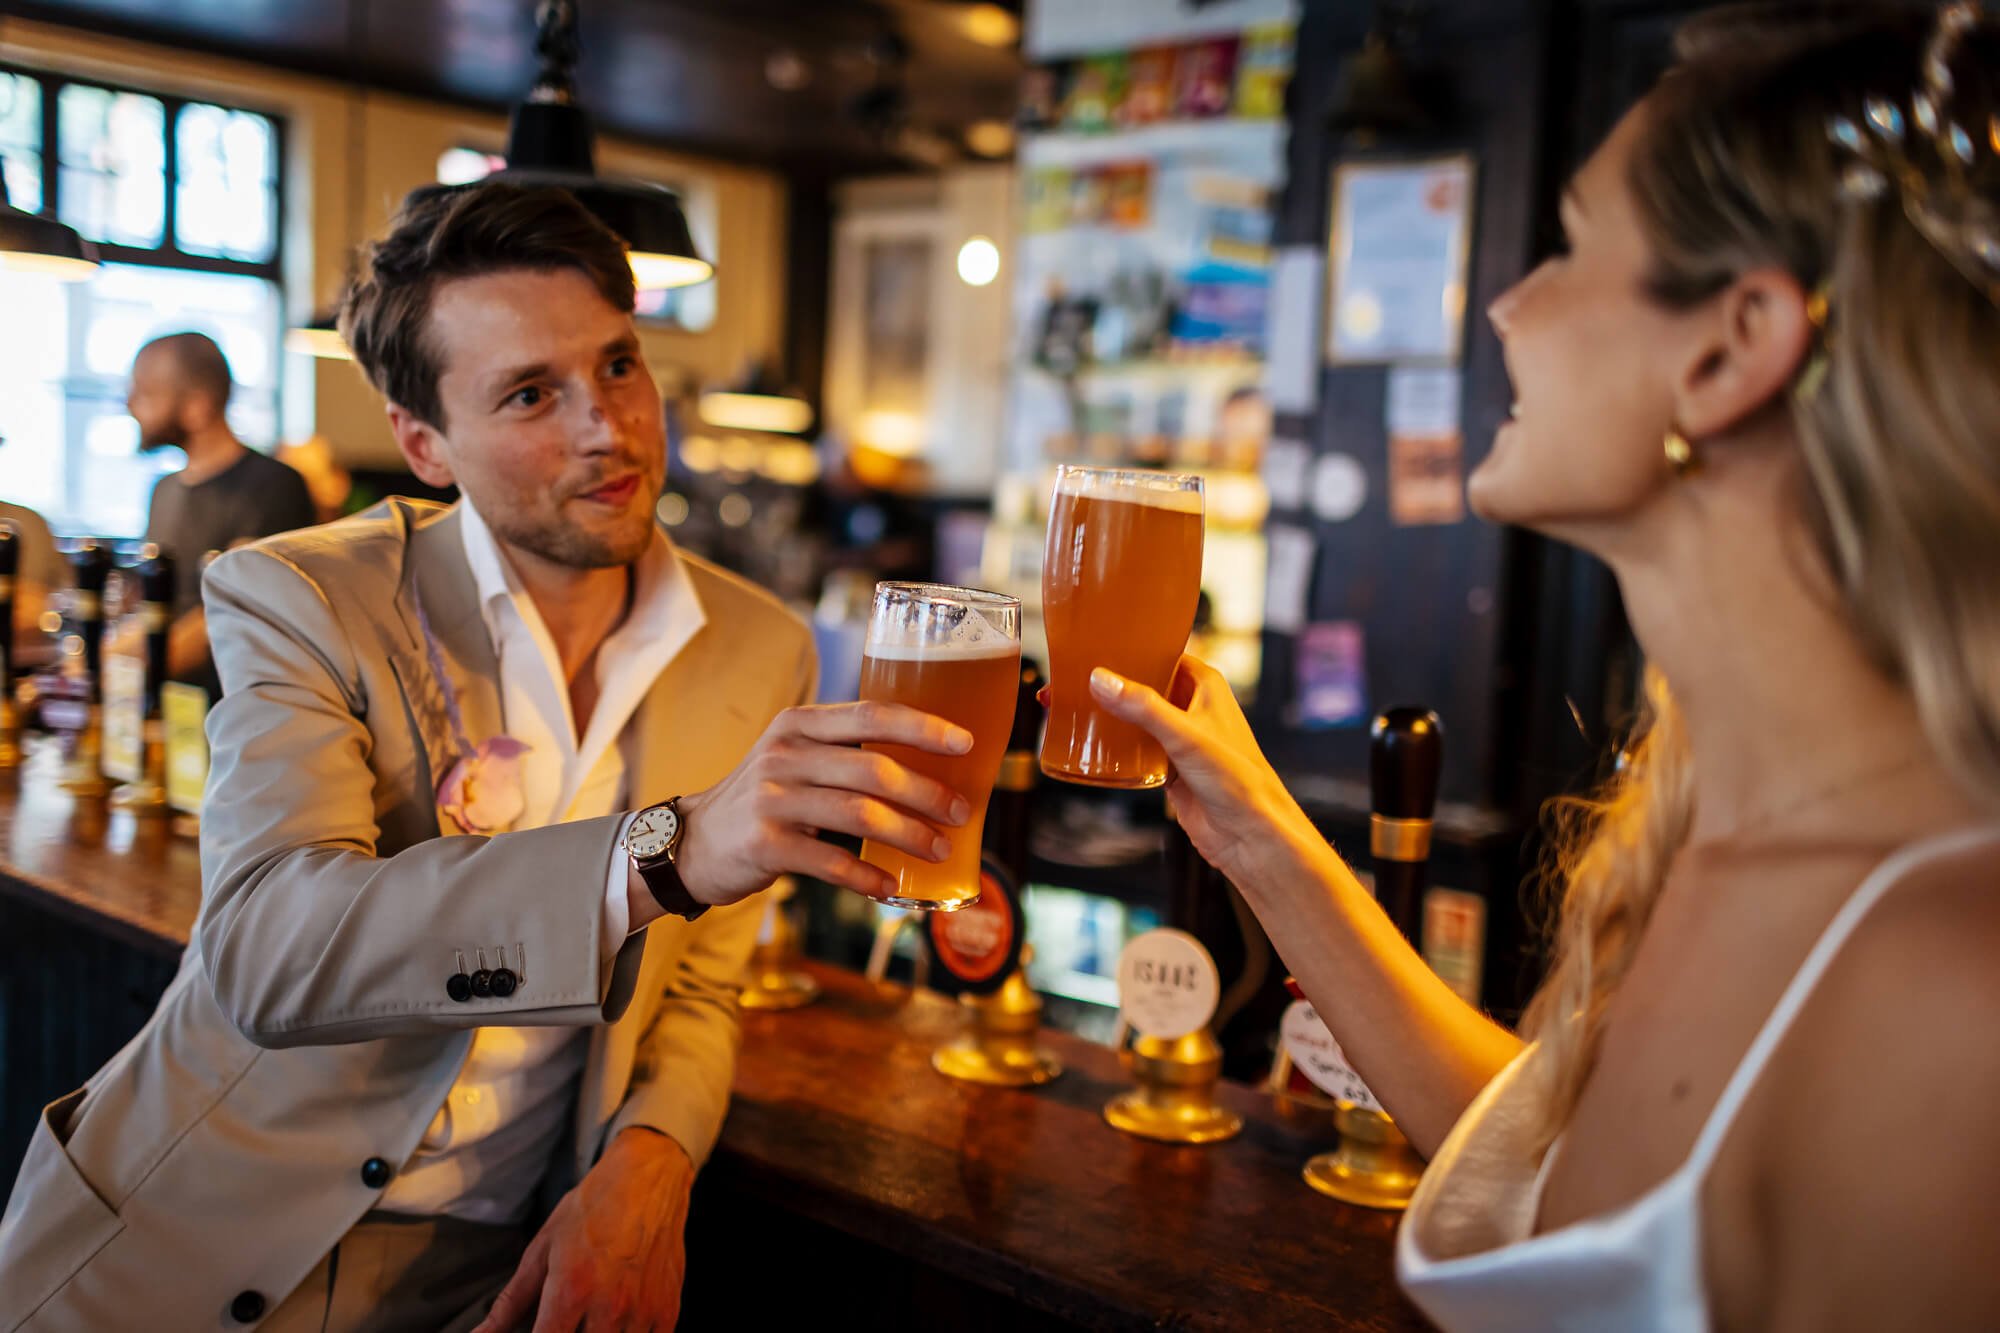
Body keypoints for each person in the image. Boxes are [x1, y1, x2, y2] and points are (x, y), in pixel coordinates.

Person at [1085, 5, 2000, 1329]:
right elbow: (1535, 1168)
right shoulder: (1699, 826)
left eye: (1571, 247)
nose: (1508, 304)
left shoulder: (1943, 987)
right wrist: (1259, 832)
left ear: (1729, 347)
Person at [0, 181, 977, 1331]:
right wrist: (666, 853)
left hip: (483, 1275)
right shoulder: (306, 592)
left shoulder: (759, 645)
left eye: (618, 365)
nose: (605, 427)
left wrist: (649, 1167)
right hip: (183, 1232)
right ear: (424, 444)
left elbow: (701, 987)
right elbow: (264, 950)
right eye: (529, 393)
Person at [129, 331, 318, 695]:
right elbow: (149, 608)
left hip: (239, 710)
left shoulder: (274, 486)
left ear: (198, 405)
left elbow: (229, 617)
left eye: (147, 392)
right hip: (169, 705)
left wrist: (123, 665)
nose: (131, 405)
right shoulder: (163, 491)